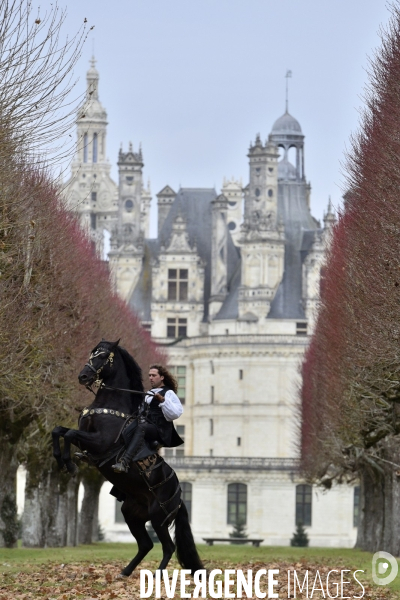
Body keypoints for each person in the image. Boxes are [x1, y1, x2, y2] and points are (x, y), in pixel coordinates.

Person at [112, 364, 184, 473]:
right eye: (149, 375)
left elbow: (176, 413)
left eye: (154, 375)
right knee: (124, 425)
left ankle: (124, 462)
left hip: (159, 430)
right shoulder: (149, 393)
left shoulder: (169, 393)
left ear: (162, 377)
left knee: (142, 427)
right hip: (146, 424)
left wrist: (163, 401)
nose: (150, 378)